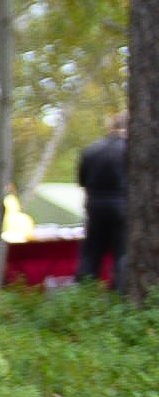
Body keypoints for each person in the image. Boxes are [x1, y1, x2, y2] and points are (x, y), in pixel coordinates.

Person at [79, 117, 127, 286]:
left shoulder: (91, 150)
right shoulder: (131, 149)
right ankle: (122, 294)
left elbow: (82, 181)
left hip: (94, 205)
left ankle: (84, 294)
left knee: (91, 253)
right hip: (122, 205)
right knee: (123, 252)